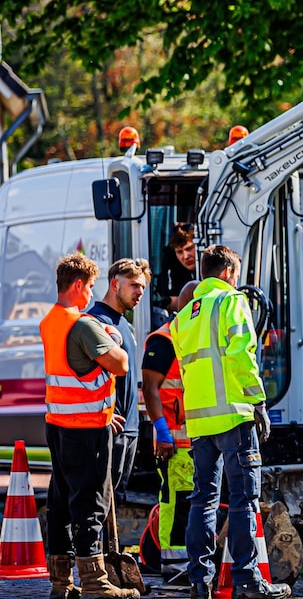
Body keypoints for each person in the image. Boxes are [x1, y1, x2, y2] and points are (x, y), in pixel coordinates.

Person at [171, 246, 289, 599]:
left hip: (199, 421)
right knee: (242, 500)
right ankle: (248, 581)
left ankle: (199, 581)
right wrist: (258, 400)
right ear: (227, 273)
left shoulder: (183, 316)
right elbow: (241, 354)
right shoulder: (231, 301)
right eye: (236, 274)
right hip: (234, 416)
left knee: (203, 499)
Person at [40, 253, 139, 599]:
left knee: (61, 501)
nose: (91, 295)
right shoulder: (83, 324)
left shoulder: (51, 320)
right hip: (87, 429)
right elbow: (121, 363)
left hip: (58, 423)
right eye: (91, 287)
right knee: (90, 503)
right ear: (78, 285)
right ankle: (95, 582)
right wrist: (114, 338)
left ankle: (60, 582)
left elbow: (73, 372)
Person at [142, 280, 199, 589]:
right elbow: (150, 389)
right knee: (177, 503)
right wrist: (162, 432)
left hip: (194, 438)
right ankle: (175, 567)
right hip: (175, 442)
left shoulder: (191, 336)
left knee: (188, 503)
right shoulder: (165, 339)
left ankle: (186, 562)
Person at [88, 257, 151, 504]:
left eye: (143, 287)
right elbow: (84, 376)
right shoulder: (96, 321)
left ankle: (111, 545)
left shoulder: (125, 324)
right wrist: (100, 411)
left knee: (115, 499)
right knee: (99, 502)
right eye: (134, 285)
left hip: (129, 428)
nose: (140, 292)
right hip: (108, 429)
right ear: (115, 284)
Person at [157, 223, 198, 312]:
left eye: (189, 248)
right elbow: (171, 302)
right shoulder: (171, 261)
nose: (186, 256)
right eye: (179, 252)